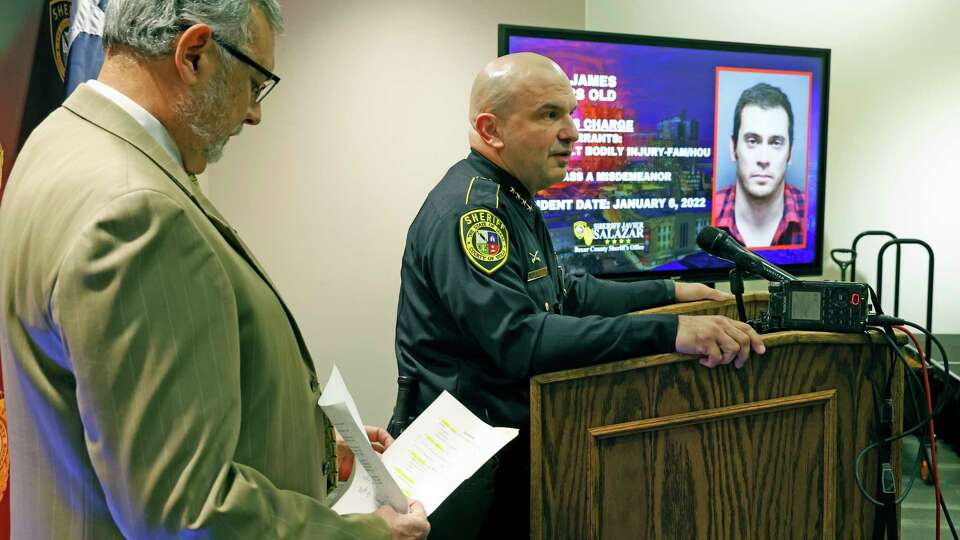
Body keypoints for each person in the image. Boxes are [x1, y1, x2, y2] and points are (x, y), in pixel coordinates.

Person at [0, 1, 429, 538]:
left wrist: (312, 445)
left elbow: (122, 412)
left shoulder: (58, 140)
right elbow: (185, 511)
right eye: (255, 83)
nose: (255, 114)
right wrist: (369, 533)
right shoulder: (138, 214)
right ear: (195, 54)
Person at [392, 52, 766, 539]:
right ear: (492, 129)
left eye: (570, 113)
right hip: (467, 469)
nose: (572, 131)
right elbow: (521, 340)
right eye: (550, 115)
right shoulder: (473, 214)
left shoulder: (511, 196)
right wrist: (671, 330)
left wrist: (670, 291)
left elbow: (565, 293)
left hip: (503, 451)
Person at [715, 82, 805, 247]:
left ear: (790, 153)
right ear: (733, 148)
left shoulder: (809, 213)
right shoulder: (709, 213)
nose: (763, 159)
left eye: (776, 143)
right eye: (752, 141)